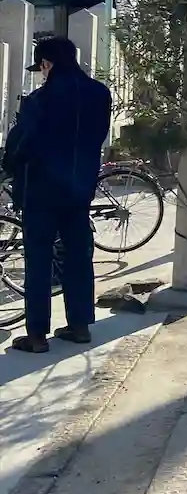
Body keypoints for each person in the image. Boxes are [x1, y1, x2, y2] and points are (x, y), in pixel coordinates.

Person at [2, 36, 111, 353]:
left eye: (41, 67)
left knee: (39, 260)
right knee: (78, 256)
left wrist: (10, 165)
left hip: (40, 192)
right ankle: (79, 325)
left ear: (47, 63)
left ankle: (37, 335)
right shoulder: (99, 93)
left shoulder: (39, 100)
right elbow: (98, 138)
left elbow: (22, 144)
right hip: (79, 190)